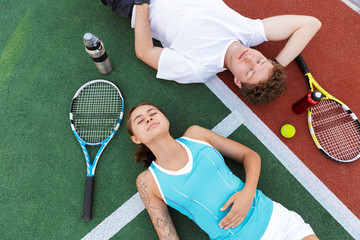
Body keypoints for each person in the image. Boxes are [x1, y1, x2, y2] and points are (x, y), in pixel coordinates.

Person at [126, 102, 319, 239]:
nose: (148, 118)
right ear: (136, 139)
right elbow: (166, 233)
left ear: (166, 120)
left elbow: (250, 156)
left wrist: (248, 192)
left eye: (152, 113)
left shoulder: (196, 135)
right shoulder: (147, 182)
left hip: (278, 220)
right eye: (140, 120)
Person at [102, 0, 321, 104]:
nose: (251, 60)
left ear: (237, 81)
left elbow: (145, 51)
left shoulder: (198, 69)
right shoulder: (250, 32)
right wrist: (277, 64)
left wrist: (141, 3)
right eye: (261, 61)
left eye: (249, 72)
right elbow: (311, 23)